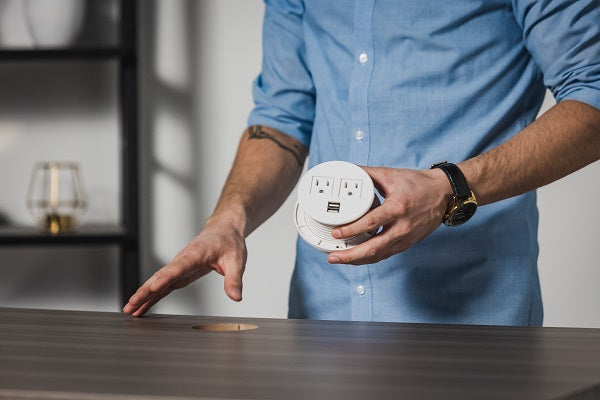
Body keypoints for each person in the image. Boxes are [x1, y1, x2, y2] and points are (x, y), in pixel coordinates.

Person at [124, 0, 600, 325]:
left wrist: (449, 187)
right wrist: (228, 220)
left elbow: (593, 93)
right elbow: (284, 114)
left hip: (474, 317)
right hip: (323, 319)